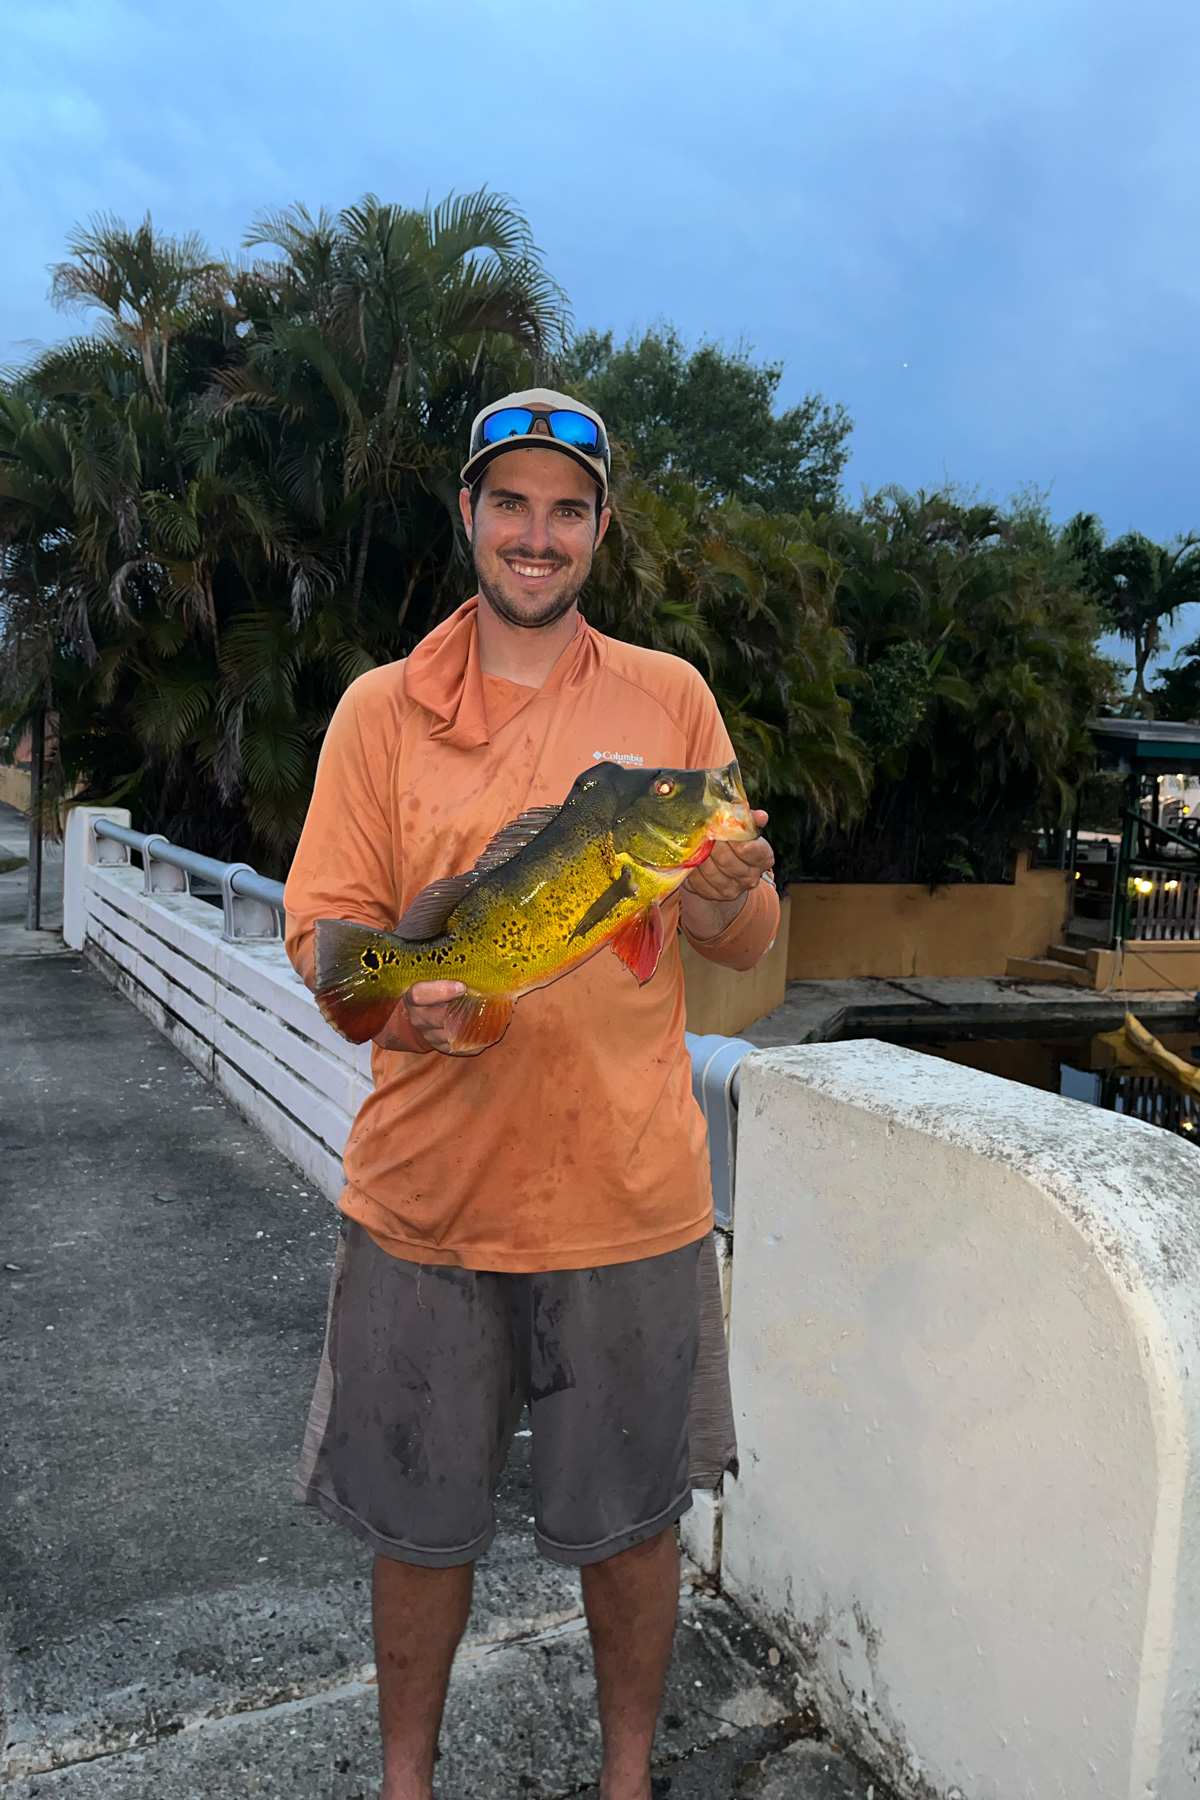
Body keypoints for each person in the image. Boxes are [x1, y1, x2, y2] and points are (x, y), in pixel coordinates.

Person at [284, 388, 779, 1800]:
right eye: (512, 503)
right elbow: (336, 954)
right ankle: (405, 1785)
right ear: (469, 516)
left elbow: (743, 945)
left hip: (629, 1199)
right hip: (427, 1203)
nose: (537, 534)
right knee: (418, 1527)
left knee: (631, 1527)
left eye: (568, 509)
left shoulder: (669, 702)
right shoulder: (382, 713)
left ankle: (628, 1781)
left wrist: (728, 890)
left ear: (601, 531)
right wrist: (406, 1000)